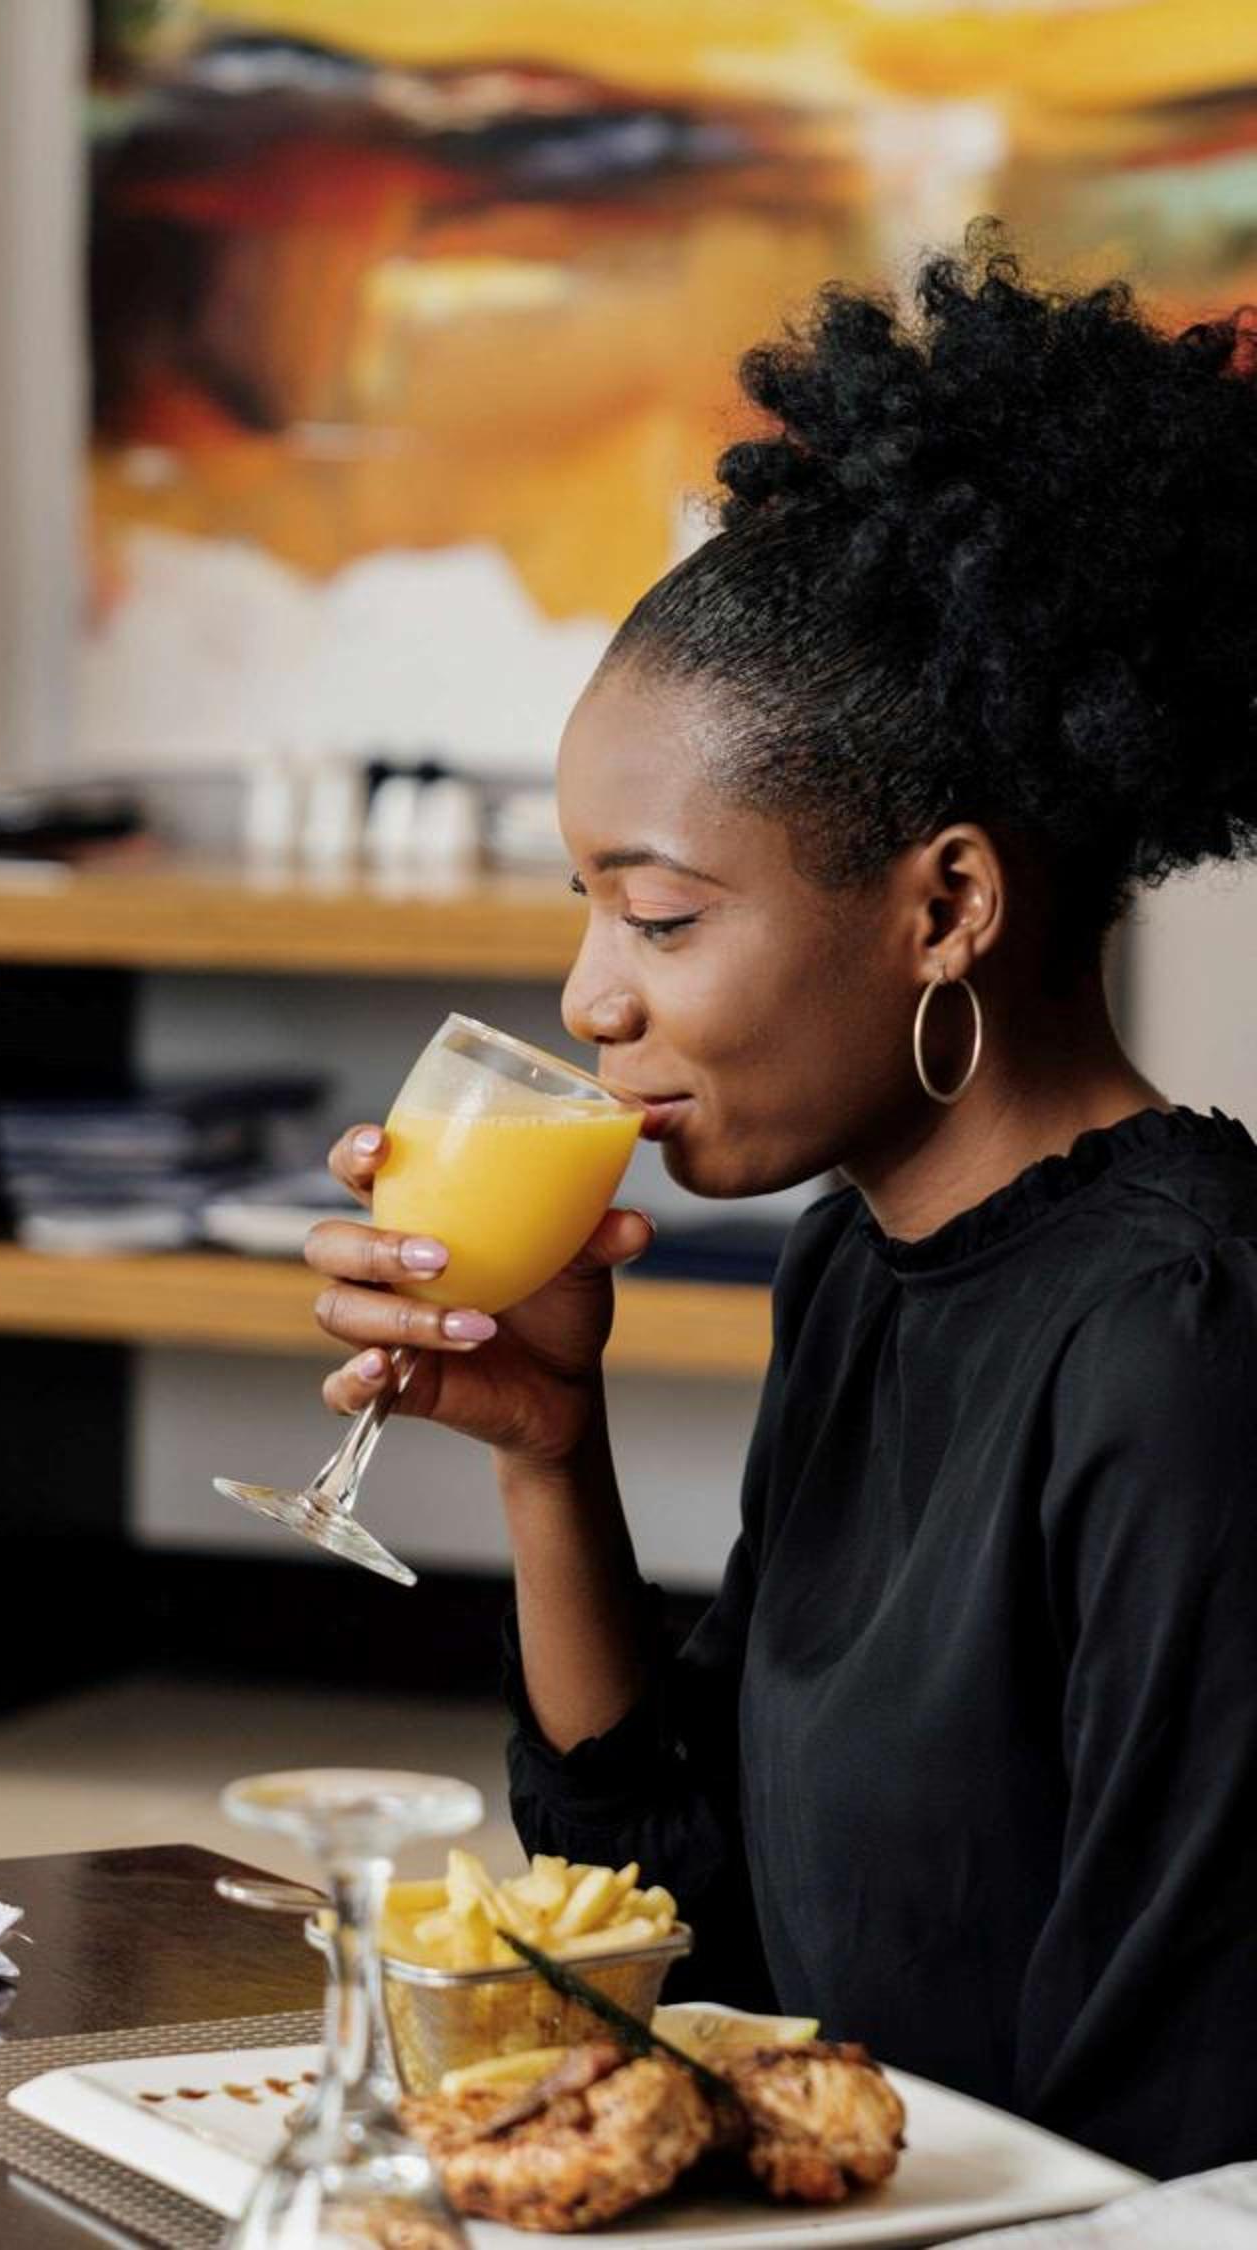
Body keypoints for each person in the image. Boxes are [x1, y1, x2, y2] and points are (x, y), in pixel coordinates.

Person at [300, 231, 1257, 2176]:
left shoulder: (1186, 1345)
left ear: (946, 906)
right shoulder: (857, 1268)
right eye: (589, 908)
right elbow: (684, 1935)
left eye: (659, 917)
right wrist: (549, 1453)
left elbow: (1190, 2133)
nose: (590, 999)